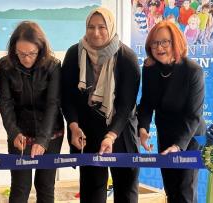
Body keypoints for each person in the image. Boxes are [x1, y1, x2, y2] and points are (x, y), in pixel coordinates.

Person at [61, 7, 140, 203]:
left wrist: (111, 135)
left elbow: (126, 106)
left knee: (126, 192)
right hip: (88, 133)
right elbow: (67, 97)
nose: (95, 32)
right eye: (91, 27)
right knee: (91, 193)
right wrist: (73, 126)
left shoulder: (127, 58)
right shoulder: (74, 54)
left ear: (111, 27)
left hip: (121, 132)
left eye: (102, 27)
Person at [137, 20, 206, 203]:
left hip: (190, 137)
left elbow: (194, 116)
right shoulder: (150, 69)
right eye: (154, 42)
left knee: (185, 189)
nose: (159, 47)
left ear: (175, 42)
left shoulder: (193, 71)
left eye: (164, 42)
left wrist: (178, 146)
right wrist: (142, 129)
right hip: (165, 133)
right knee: (170, 189)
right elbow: (146, 103)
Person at [0, 21, 64, 203]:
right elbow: (5, 103)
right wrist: (14, 133)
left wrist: (42, 141)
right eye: (21, 54)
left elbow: (53, 104)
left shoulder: (53, 65)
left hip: (51, 134)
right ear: (14, 50)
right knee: (20, 187)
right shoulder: (5, 66)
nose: (26, 59)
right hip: (20, 132)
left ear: (41, 49)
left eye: (32, 54)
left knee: (45, 186)